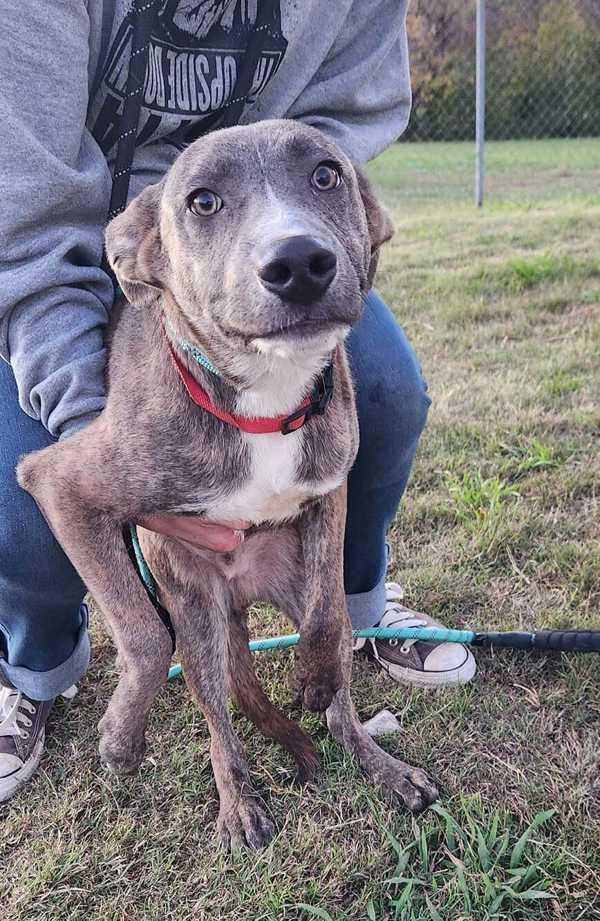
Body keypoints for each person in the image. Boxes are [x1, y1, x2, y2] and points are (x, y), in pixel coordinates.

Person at [0, 0, 476, 803]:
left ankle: (355, 606)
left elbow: (334, 139)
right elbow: (26, 224)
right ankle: (33, 662)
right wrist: (113, 455)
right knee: (20, 511)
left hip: (259, 263)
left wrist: (306, 201)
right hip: (74, 257)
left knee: (388, 391)